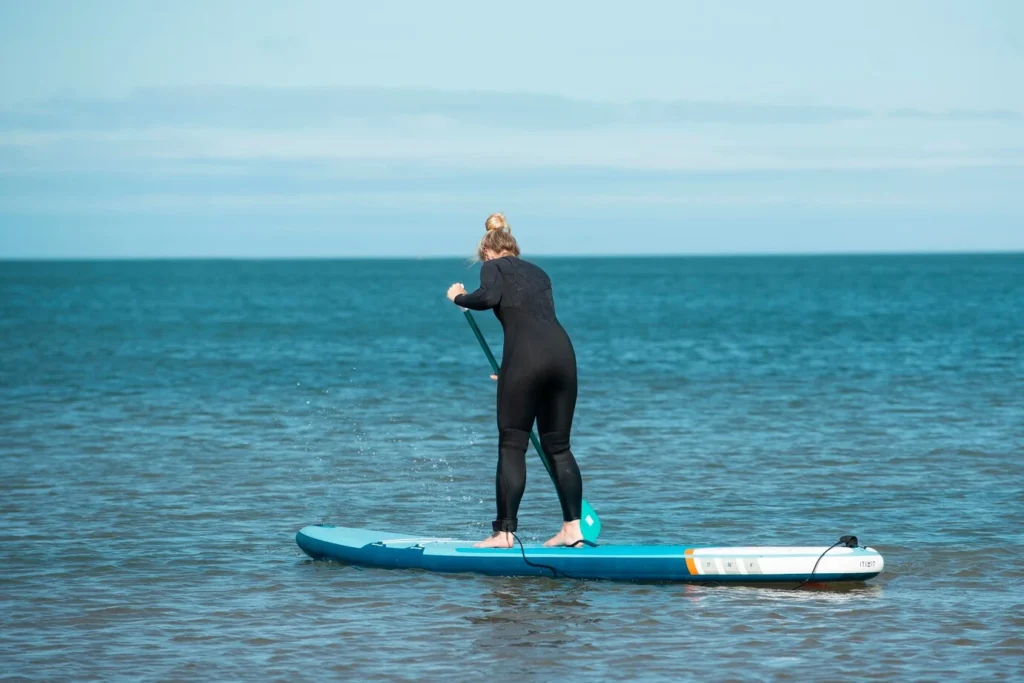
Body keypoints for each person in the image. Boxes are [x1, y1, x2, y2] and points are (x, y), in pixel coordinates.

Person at [446, 213, 586, 548]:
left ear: (488, 253)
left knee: (512, 444)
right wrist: (512, 371)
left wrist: (459, 298)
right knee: (559, 446)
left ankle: (504, 533)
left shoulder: (492, 267)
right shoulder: (539, 273)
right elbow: (534, 323)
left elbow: (487, 298)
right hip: (563, 359)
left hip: (526, 362)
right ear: (514, 248)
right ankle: (573, 529)